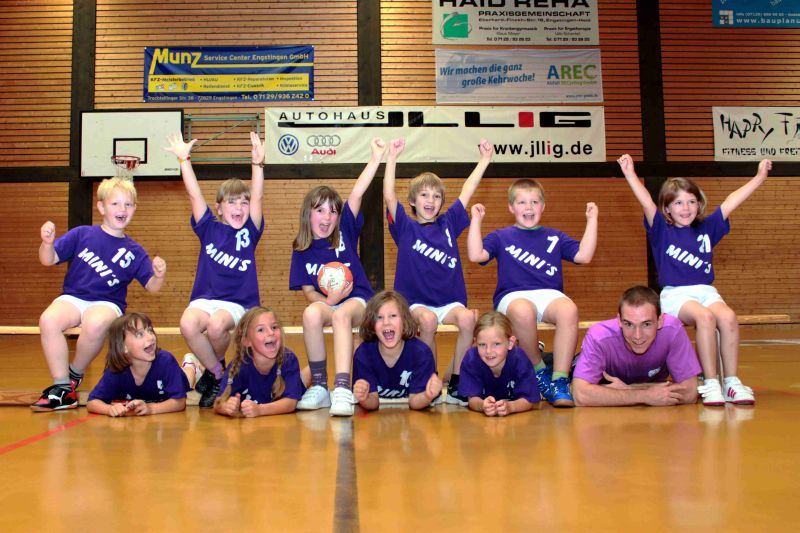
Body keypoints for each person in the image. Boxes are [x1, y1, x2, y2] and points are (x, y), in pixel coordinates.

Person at [617, 154, 769, 405]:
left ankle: (731, 382)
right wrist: (630, 174)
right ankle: (710, 382)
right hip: (676, 294)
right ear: (667, 208)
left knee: (728, 317)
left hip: (706, 291)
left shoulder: (707, 228)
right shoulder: (661, 230)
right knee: (705, 317)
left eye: (691, 202)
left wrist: (759, 177)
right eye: (678, 203)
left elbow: (731, 201)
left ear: (699, 205)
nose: (685, 208)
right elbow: (646, 201)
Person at [32, 177, 166, 412]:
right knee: (48, 320)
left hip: (108, 302)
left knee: (94, 323)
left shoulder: (134, 251)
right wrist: (47, 243)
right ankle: (62, 388)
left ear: (134, 209)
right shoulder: (82, 234)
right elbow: (48, 259)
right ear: (101, 207)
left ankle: (75, 373)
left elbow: (152, 287)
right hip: (74, 297)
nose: (122, 209)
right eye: (115, 204)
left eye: (128, 204)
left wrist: (159, 275)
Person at [467, 178, 598, 408]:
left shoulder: (555, 237)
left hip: (548, 294)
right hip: (513, 295)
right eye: (522, 202)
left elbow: (584, 256)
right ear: (511, 207)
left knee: (569, 310)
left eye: (534, 202)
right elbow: (476, 255)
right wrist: (476, 221)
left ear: (543, 206)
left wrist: (592, 220)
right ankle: (539, 371)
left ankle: (559, 379)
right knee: (523, 310)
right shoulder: (501, 236)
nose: (528, 207)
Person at [383, 137, 492, 406]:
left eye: (436, 196)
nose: (430, 200)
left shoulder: (448, 223)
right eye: (424, 195)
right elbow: (389, 195)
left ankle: (457, 382)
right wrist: (391, 158)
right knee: (428, 321)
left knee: (467, 320)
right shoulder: (405, 227)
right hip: (416, 303)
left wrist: (484, 160)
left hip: (449, 301)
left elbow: (467, 190)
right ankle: (428, 380)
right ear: (412, 200)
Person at [163, 132, 265, 409]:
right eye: (232, 202)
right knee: (188, 324)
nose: (239, 207)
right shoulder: (208, 228)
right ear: (218, 208)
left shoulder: (250, 232)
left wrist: (257, 164)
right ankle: (218, 373)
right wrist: (184, 160)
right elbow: (194, 194)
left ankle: (208, 372)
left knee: (217, 325)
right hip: (205, 298)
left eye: (243, 202)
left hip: (238, 303)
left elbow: (258, 197)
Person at [289, 137, 386, 417]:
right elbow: (309, 292)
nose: (327, 216)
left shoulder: (345, 232)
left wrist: (375, 158)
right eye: (320, 210)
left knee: (342, 315)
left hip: (358, 301)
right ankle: (320, 387)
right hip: (330, 302)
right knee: (311, 314)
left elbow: (356, 193)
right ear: (308, 214)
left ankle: (342, 387)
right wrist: (328, 300)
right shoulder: (301, 249)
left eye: (333, 211)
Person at [571, 286, 701, 407]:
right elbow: (580, 395)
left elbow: (690, 392)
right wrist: (645, 395)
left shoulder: (672, 330)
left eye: (646, 324)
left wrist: (627, 390)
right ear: (619, 320)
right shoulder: (599, 336)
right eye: (629, 324)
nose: (637, 336)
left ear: (660, 321)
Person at [352, 290, 442, 411]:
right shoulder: (363, 354)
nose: (386, 322)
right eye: (379, 317)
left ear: (404, 321)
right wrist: (364, 397)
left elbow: (414, 402)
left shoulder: (421, 353)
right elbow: (373, 403)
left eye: (393, 316)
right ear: (372, 325)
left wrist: (427, 395)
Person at [86, 312, 190, 416]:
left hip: (181, 374)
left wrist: (150, 409)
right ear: (123, 347)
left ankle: (190, 364)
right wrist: (109, 409)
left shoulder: (166, 361)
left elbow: (180, 402)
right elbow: (92, 402)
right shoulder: (117, 370)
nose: (150, 337)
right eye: (140, 334)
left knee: (188, 377)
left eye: (150, 330)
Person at [214, 306, 307, 418]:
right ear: (246, 340)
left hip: (292, 384)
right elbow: (218, 403)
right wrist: (226, 407)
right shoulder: (239, 366)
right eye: (261, 330)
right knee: (301, 378)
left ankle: (312, 375)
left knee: (303, 381)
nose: (270, 332)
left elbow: (290, 403)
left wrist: (260, 410)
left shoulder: (288, 359)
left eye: (274, 327)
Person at [459, 311, 540, 416]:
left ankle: (541, 353)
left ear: (510, 343)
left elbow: (530, 401)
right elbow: (472, 400)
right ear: (475, 342)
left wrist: (511, 407)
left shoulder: (519, 359)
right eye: (482, 344)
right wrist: (482, 405)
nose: (488, 351)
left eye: (496, 344)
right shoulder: (472, 359)